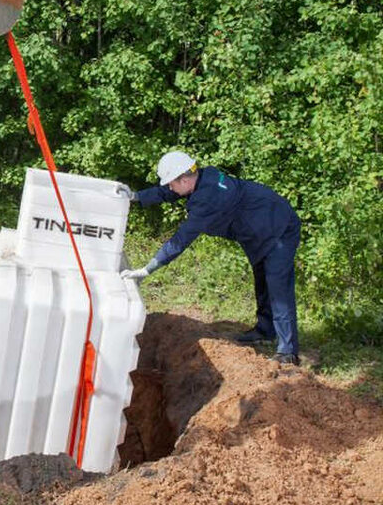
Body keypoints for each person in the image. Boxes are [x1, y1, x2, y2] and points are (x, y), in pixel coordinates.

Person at [120, 150, 301, 365]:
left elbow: (180, 240)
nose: (169, 187)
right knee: (262, 280)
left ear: (185, 178)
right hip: (258, 231)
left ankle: (288, 352)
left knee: (278, 288)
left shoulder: (209, 200)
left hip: (278, 228)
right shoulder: (202, 177)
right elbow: (168, 192)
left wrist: (147, 269)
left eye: (171, 183)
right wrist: (136, 196)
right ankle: (265, 330)